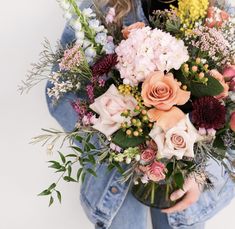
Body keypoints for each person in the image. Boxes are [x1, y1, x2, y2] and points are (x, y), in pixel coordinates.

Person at [46, 0, 235, 228]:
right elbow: (59, 94)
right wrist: (118, 146)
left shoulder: (218, 13)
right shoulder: (101, 8)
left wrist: (200, 173)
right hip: (115, 182)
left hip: (184, 186)